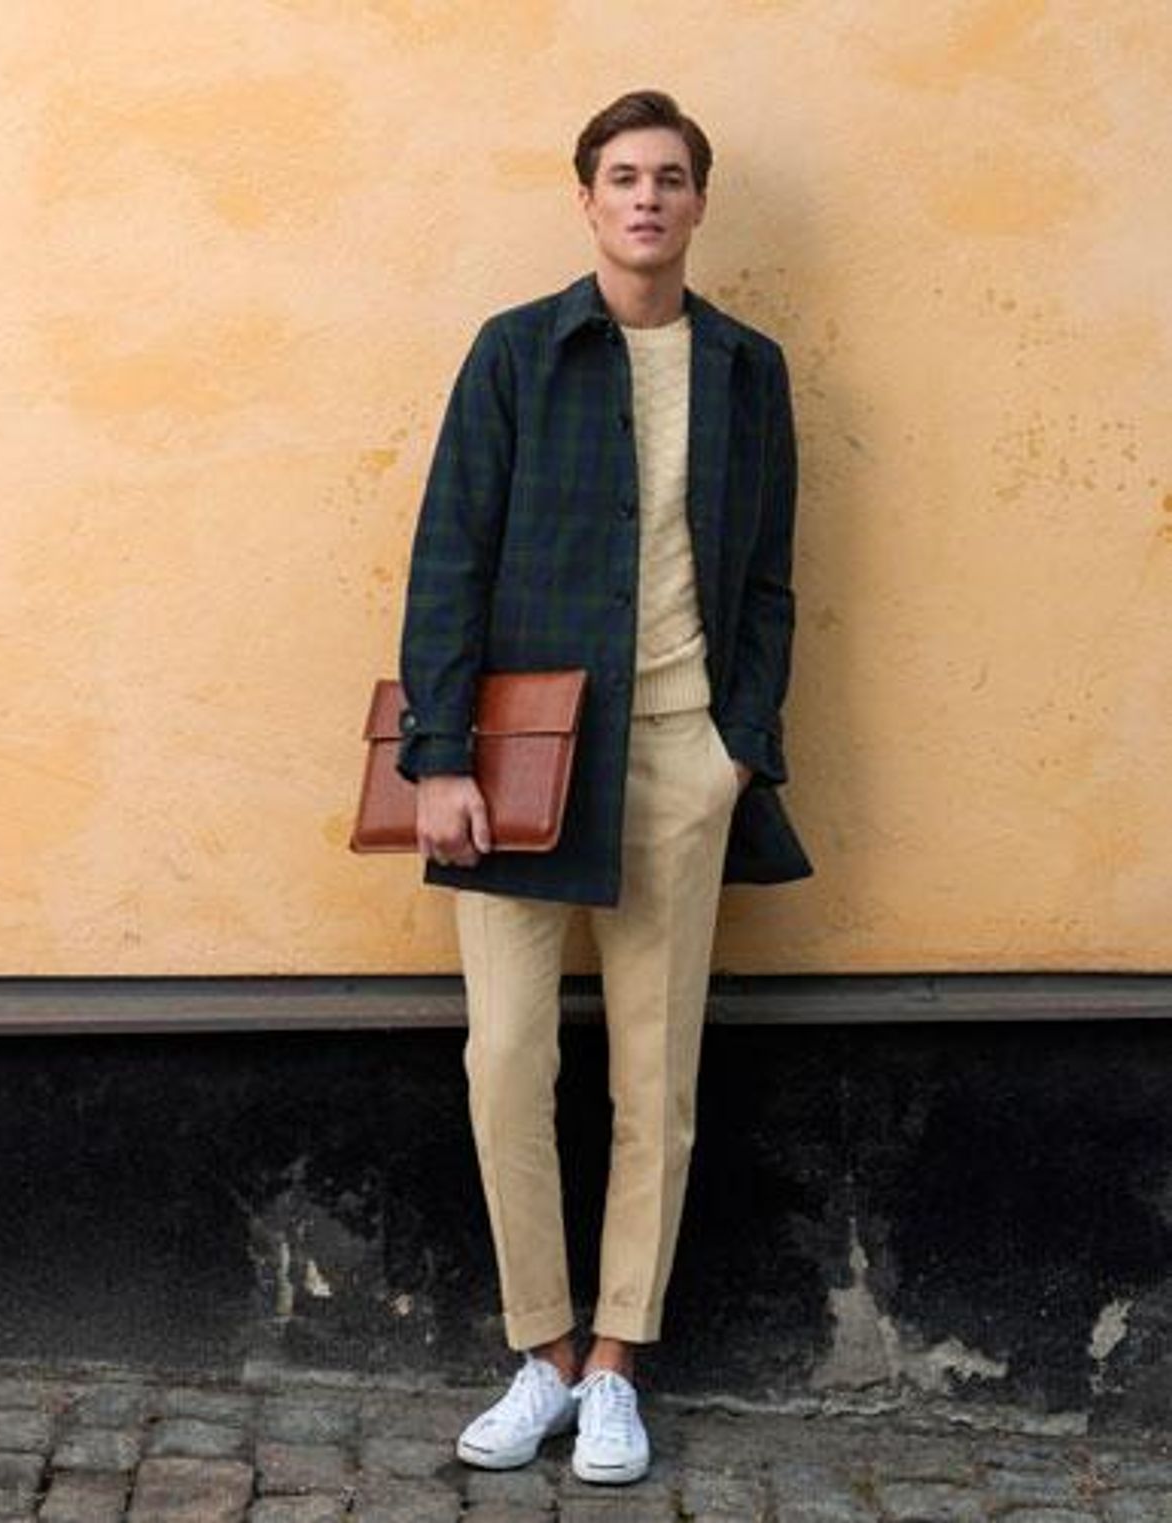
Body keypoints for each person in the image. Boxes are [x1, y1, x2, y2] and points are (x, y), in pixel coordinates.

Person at [395, 89, 810, 1484]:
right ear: (586, 200)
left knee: (656, 1077)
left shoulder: (747, 371)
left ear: (699, 203)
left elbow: (768, 581)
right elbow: (450, 553)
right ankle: (543, 1354)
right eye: (623, 176)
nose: (647, 198)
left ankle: (619, 1364)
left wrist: (738, 745)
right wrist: (438, 755)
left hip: (683, 757)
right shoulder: (518, 352)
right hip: (524, 765)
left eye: (670, 177)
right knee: (507, 1060)